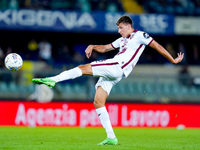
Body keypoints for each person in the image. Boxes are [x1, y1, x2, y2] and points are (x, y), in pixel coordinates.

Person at [32, 15, 184, 145]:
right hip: (115, 72)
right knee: (98, 101)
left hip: (117, 66)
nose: (119, 31)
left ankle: (52, 80)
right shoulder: (122, 40)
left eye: (120, 28)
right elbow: (105, 48)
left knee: (83, 67)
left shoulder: (140, 36)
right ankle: (111, 137)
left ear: (128, 26)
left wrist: (173, 60)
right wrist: (92, 45)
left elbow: (157, 46)